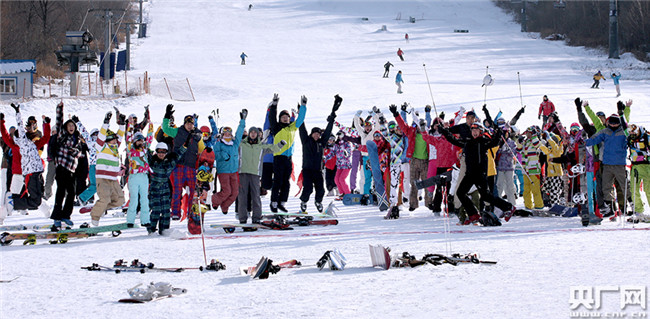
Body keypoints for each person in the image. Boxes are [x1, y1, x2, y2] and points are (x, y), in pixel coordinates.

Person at [440, 123, 516, 224]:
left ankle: (509, 207)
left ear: (480, 131)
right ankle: (473, 214)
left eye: (476, 130)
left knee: (486, 196)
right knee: (460, 193)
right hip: (469, 174)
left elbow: (495, 142)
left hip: (480, 174)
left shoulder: (483, 141)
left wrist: (499, 133)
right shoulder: (467, 141)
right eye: (472, 130)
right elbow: (454, 140)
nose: (474, 132)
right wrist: (444, 131)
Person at [0, 105, 50, 216]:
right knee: (12, 195)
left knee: (35, 196)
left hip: (30, 173)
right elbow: (5, 135)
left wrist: (46, 124)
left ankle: (48, 213)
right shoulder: (14, 145)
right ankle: (3, 217)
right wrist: (2, 122)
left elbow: (46, 138)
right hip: (18, 174)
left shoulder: (32, 144)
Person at [585, 111, 632, 215]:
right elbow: (595, 138)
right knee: (606, 186)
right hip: (607, 164)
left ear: (619, 123)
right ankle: (610, 208)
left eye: (615, 123)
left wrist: (623, 112)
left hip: (619, 164)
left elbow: (629, 131)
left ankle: (631, 204)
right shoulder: (605, 131)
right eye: (611, 123)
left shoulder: (623, 132)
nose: (613, 125)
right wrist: (586, 142)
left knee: (624, 185)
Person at [162, 104, 204, 220]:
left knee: (192, 191)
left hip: (191, 167)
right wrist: (167, 115)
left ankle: (191, 211)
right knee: (177, 190)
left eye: (192, 124)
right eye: (188, 123)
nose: (190, 126)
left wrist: (199, 138)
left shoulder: (196, 135)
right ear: (184, 123)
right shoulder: (177, 132)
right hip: (178, 165)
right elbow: (165, 129)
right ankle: (175, 212)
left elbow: (202, 149)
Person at [299, 95, 340, 212]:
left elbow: (327, 131)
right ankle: (303, 202)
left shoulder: (322, 143)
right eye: (315, 133)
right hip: (307, 170)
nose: (317, 135)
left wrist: (332, 119)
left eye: (318, 134)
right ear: (311, 134)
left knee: (320, 190)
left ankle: (318, 202)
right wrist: (301, 110)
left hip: (317, 170)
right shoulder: (306, 141)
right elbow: (302, 127)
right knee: (307, 189)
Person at [266, 94, 307, 212]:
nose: (285, 118)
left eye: (287, 117)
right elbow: (272, 117)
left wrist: (303, 106)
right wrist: (274, 104)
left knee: (286, 183)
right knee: (278, 181)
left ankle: (282, 203)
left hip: (289, 158)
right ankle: (273, 203)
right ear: (280, 119)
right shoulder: (276, 127)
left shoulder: (292, 127)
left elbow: (300, 119)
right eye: (283, 117)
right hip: (278, 157)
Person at [89, 111, 126, 226]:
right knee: (104, 199)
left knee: (120, 200)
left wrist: (122, 124)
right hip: (103, 179)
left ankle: (99, 208)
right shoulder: (101, 147)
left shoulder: (115, 148)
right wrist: (105, 123)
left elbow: (120, 135)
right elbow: (100, 137)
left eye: (115, 139)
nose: (115, 141)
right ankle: (95, 218)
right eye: (112, 139)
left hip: (113, 179)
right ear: (107, 140)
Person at [211, 110, 247, 214]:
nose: (227, 136)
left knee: (235, 192)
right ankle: (213, 200)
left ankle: (224, 205)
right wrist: (223, 155)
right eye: (225, 134)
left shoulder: (235, 143)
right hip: (223, 171)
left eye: (229, 134)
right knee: (226, 191)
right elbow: (215, 155)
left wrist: (243, 121)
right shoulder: (219, 144)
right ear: (222, 135)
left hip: (233, 171)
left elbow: (239, 133)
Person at [125, 123, 154, 228]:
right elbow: (128, 138)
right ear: (135, 141)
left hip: (143, 176)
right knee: (134, 199)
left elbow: (150, 137)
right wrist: (130, 125)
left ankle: (145, 220)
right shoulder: (130, 150)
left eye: (142, 140)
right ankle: (130, 220)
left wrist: (150, 125)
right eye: (138, 140)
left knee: (144, 199)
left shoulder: (145, 149)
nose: (141, 142)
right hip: (133, 176)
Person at [627, 124, 650, 222]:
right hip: (635, 166)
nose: (632, 135)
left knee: (648, 189)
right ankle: (639, 211)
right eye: (630, 133)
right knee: (634, 189)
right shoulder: (630, 139)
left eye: (634, 133)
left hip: (647, 166)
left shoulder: (646, 137)